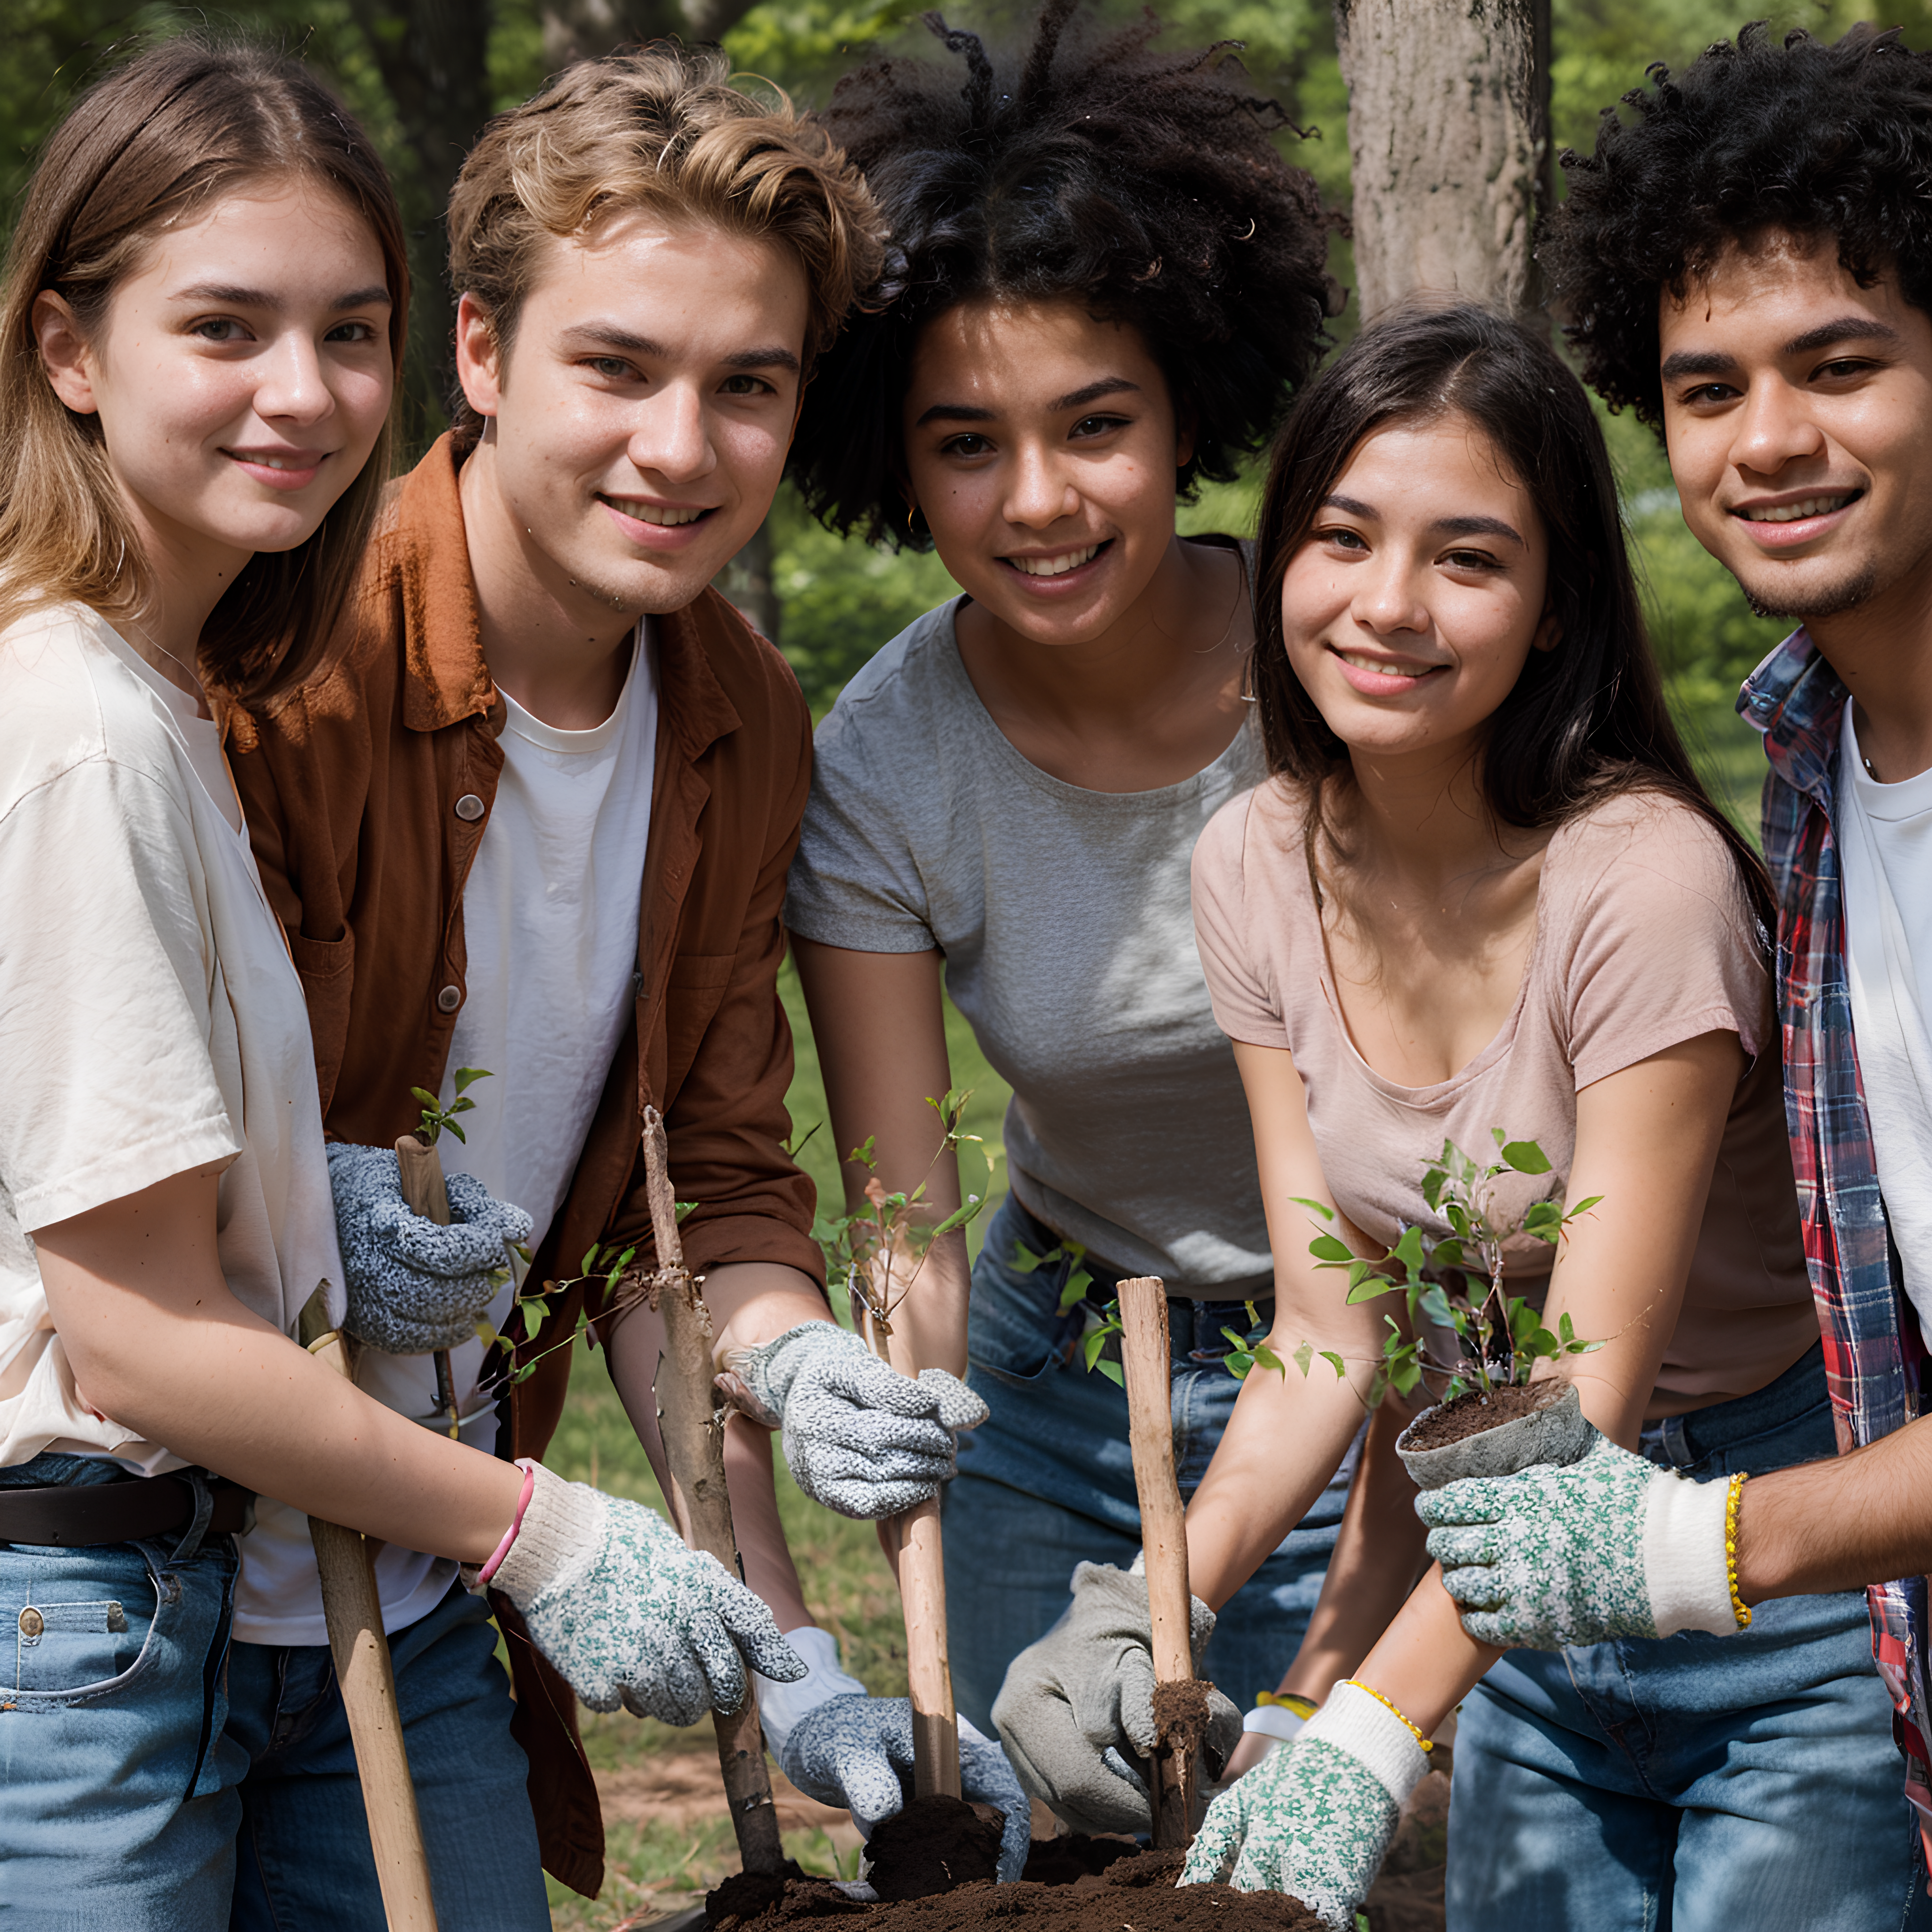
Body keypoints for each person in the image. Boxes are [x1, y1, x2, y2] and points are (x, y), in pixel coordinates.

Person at [0, 37, 808, 1932]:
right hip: (100, 1599)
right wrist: (549, 1525)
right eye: (225, 329)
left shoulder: (171, 699)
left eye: (336, 333)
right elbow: (133, 1336)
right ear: (65, 351)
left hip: (237, 1576)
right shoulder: (86, 728)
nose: (301, 394)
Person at [996, 301, 1925, 1932]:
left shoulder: (1643, 886)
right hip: (1510, 1597)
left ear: (1558, 604)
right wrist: (1159, 1605)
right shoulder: (1254, 867)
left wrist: (1368, 1719)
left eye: (1470, 559)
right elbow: (1325, 1327)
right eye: (1342, 539)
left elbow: (1583, 1400)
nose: (1389, 606)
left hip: (1760, 1568)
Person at [224, 44, 1033, 1897]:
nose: (681, 448)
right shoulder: (285, 645)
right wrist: (291, 1203)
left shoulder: (733, 713)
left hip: (425, 1583)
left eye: (745, 387)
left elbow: (706, 1183)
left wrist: (796, 1356)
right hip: (134, 1568)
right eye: (616, 367)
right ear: (486, 354)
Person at [779, 0, 1352, 1817]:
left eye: (1094, 425)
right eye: (966, 444)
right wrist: (903, 1423)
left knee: (1318, 1847)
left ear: (1190, 405)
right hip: (1050, 1372)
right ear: (894, 452)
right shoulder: (884, 758)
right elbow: (907, 1217)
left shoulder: (1344, 676)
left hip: (1372, 1359)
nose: (1038, 501)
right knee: (1045, 1847)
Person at [1408, 21, 1932, 1895]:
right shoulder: (1816, 766)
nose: (1767, 437)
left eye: (1840, 365)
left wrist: (1714, 1546)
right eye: (1705, 388)